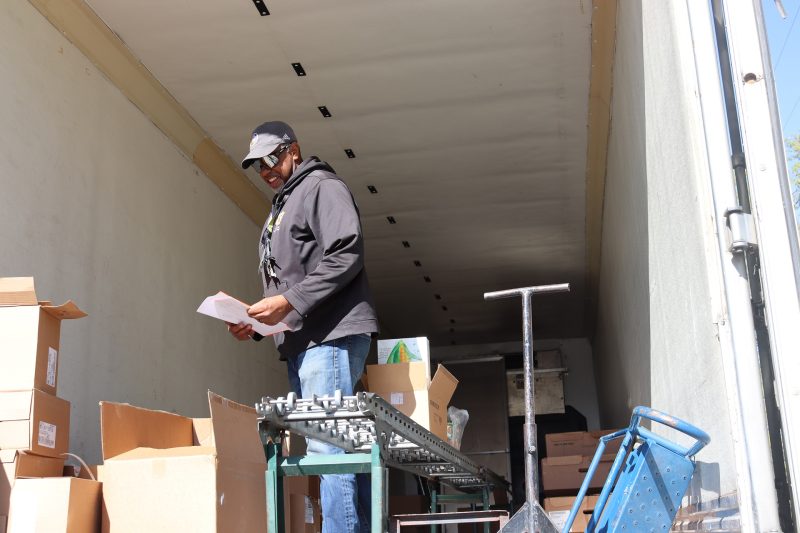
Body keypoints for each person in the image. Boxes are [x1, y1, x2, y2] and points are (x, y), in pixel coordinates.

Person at [228, 121, 378, 533]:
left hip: (329, 336)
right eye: (258, 166)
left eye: (272, 159)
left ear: (293, 149)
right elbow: (290, 279)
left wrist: (289, 302)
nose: (266, 170)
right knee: (336, 444)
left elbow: (347, 253)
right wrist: (256, 325)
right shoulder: (284, 201)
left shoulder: (321, 186)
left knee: (328, 446)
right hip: (302, 341)